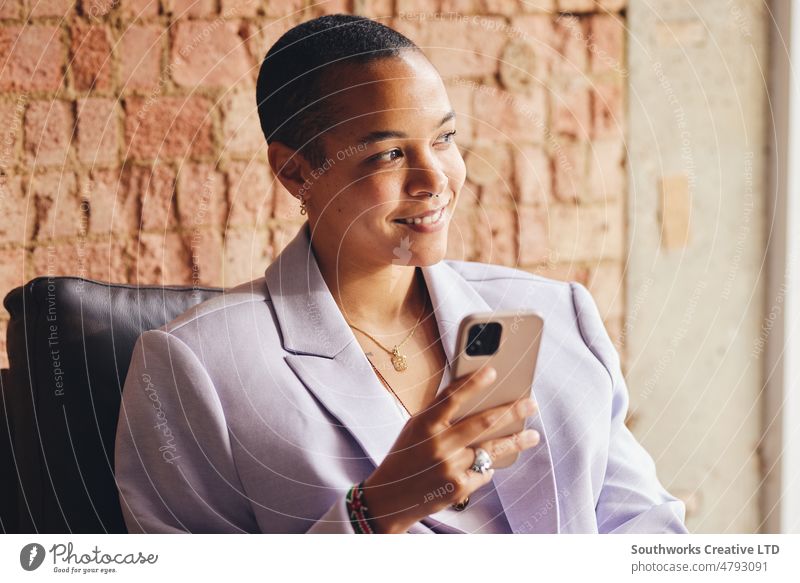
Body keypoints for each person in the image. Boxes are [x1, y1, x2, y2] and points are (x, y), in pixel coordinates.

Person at [114, 13, 688, 534]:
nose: (435, 178)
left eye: (443, 139)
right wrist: (374, 511)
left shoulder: (559, 315)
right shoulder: (196, 366)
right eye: (388, 154)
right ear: (295, 171)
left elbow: (648, 530)